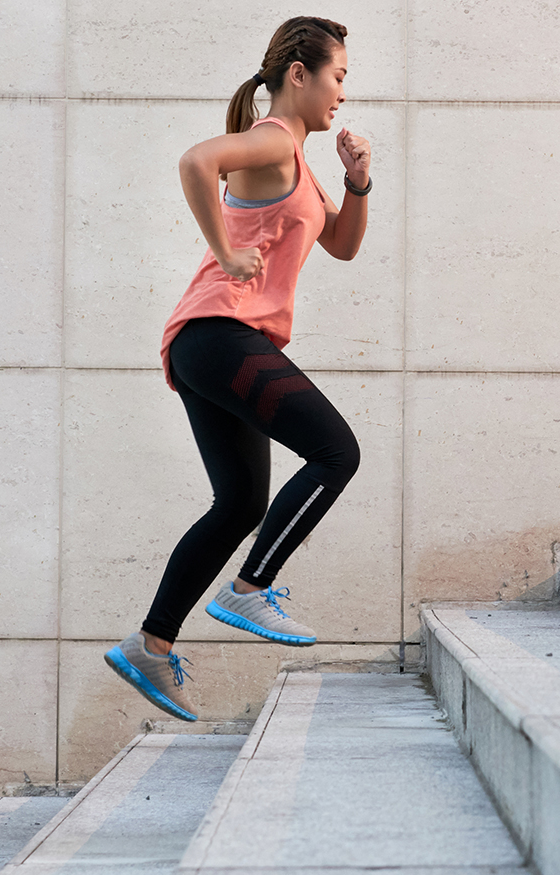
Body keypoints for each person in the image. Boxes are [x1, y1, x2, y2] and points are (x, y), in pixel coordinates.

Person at [104, 15, 372, 722]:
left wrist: (359, 183)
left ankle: (150, 645)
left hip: (208, 344)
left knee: (241, 504)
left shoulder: (299, 162)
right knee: (335, 451)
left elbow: (341, 245)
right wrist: (225, 252)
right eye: (337, 76)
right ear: (298, 74)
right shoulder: (272, 139)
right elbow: (196, 160)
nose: (342, 93)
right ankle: (250, 589)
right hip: (220, 333)